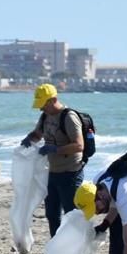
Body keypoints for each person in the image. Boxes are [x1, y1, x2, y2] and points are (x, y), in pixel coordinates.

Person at [22, 84, 85, 237]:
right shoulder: (45, 116)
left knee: (71, 215)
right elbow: (38, 133)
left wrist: (55, 149)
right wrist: (29, 139)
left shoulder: (68, 117)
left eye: (43, 105)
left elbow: (79, 145)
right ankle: (54, 253)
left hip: (71, 173)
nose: (40, 109)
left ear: (53, 100)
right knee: (52, 214)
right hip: (52, 172)